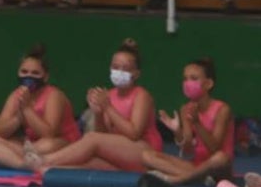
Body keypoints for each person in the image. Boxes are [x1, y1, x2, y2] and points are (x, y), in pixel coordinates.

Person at [25, 39, 162, 172]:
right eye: (115, 67)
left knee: (91, 138)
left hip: (145, 152)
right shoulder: (109, 95)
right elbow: (104, 136)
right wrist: (98, 113)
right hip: (122, 152)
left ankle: (44, 160)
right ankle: (47, 168)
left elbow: (134, 134)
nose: (119, 72)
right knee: (90, 163)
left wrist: (108, 108)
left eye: (125, 69)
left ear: (136, 74)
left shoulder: (141, 95)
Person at [0, 44, 79, 168]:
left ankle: (4, 159)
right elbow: (0, 132)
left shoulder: (54, 95)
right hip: (30, 146)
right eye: (24, 72)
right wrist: (18, 117)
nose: (28, 76)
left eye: (35, 73)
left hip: (61, 144)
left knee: (47, 145)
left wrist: (27, 109)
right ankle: (22, 164)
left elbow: (48, 133)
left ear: (45, 77)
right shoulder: (16, 95)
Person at [141, 58, 234, 185]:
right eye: (185, 79)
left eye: (194, 78)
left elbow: (215, 148)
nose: (188, 83)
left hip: (218, 169)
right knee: (147, 156)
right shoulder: (185, 109)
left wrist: (197, 123)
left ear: (208, 84)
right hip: (195, 166)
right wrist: (177, 131)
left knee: (220, 158)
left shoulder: (222, 109)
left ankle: (178, 179)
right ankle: (198, 178)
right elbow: (188, 152)